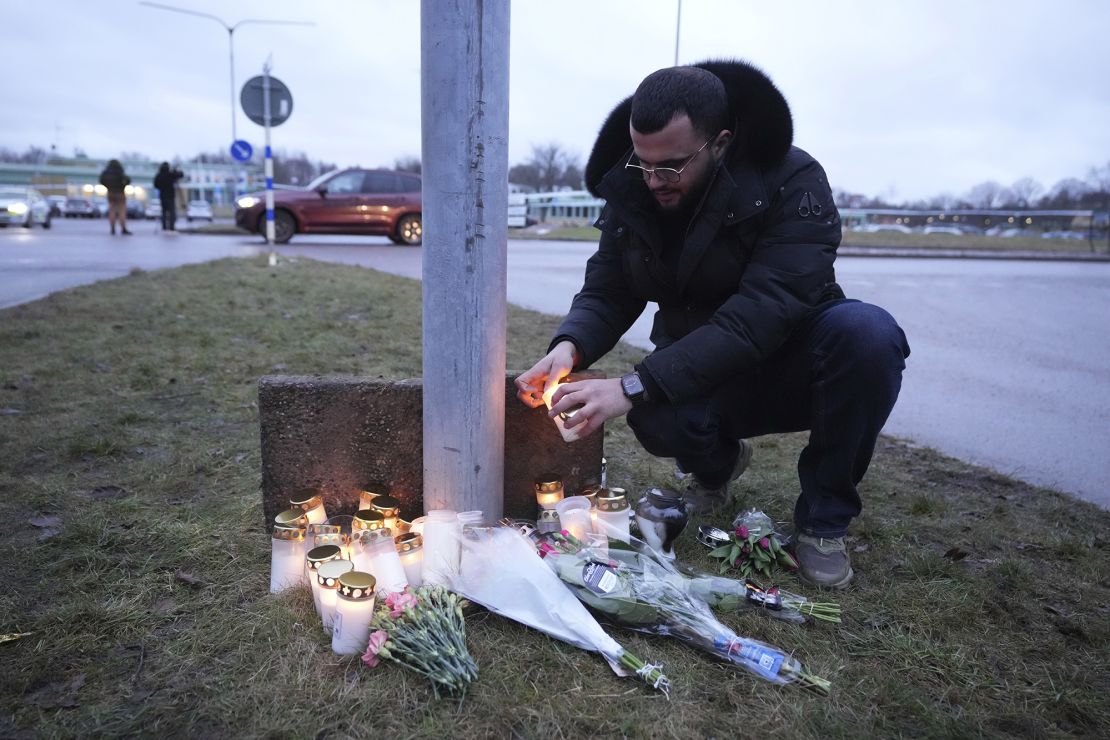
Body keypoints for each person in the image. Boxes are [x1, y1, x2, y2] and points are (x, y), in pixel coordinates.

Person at [515, 62, 910, 589]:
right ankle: (717, 466)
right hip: (701, 361)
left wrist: (636, 384)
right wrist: (569, 347)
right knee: (654, 419)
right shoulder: (637, 186)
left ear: (719, 143)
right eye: (643, 163)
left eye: (671, 167)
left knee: (869, 336)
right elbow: (609, 287)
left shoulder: (792, 180)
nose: (654, 180)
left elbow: (763, 312)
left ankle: (823, 520)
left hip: (792, 358)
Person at [98, 159, 132, 235]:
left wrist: (108, 186)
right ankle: (123, 228)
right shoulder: (119, 171)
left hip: (110, 192)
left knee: (112, 210)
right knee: (122, 211)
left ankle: (112, 228)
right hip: (120, 192)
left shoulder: (106, 172)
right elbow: (127, 180)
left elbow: (101, 181)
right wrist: (123, 185)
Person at [153, 162, 184, 232]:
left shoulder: (159, 175)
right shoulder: (170, 174)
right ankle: (171, 226)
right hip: (170, 195)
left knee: (164, 212)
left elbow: (155, 184)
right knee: (171, 212)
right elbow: (181, 174)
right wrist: (175, 171)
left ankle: (164, 226)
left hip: (163, 196)